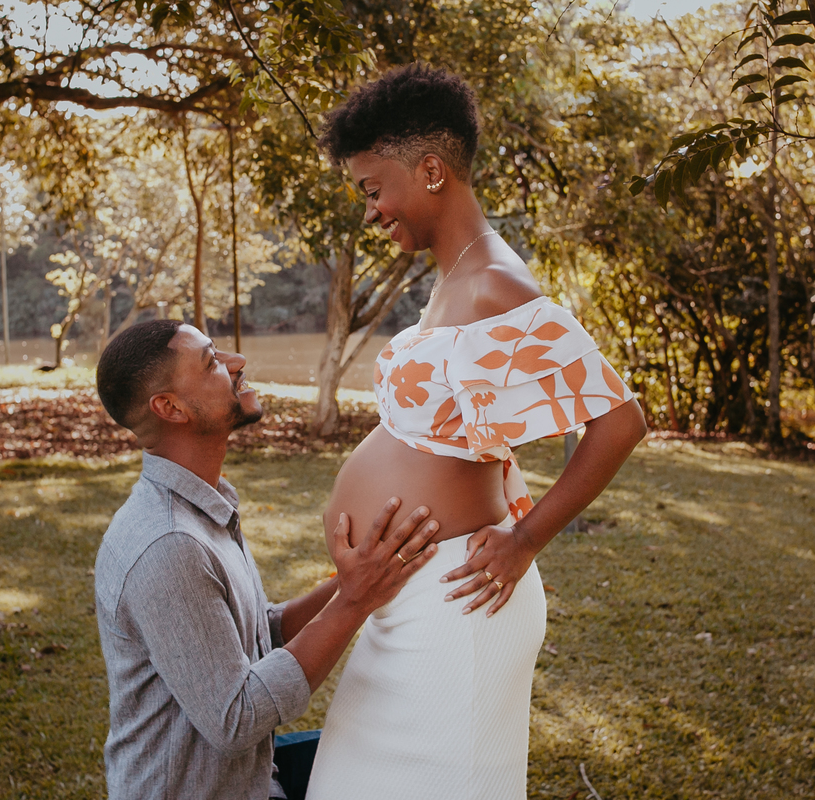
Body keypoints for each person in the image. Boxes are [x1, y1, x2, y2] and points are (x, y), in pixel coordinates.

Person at [303, 65, 649, 800]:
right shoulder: (451, 280)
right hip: (416, 594)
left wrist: (524, 540)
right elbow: (485, 440)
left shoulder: (495, 281)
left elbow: (619, 419)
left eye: (373, 188)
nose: (371, 211)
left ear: (431, 171)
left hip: (459, 603)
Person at [92, 319, 440, 800]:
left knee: (408, 755)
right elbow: (236, 718)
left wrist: (356, 578)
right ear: (169, 408)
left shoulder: (203, 507)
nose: (237, 363)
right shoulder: (168, 545)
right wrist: (354, 602)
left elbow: (260, 637)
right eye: (211, 361)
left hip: (257, 779)